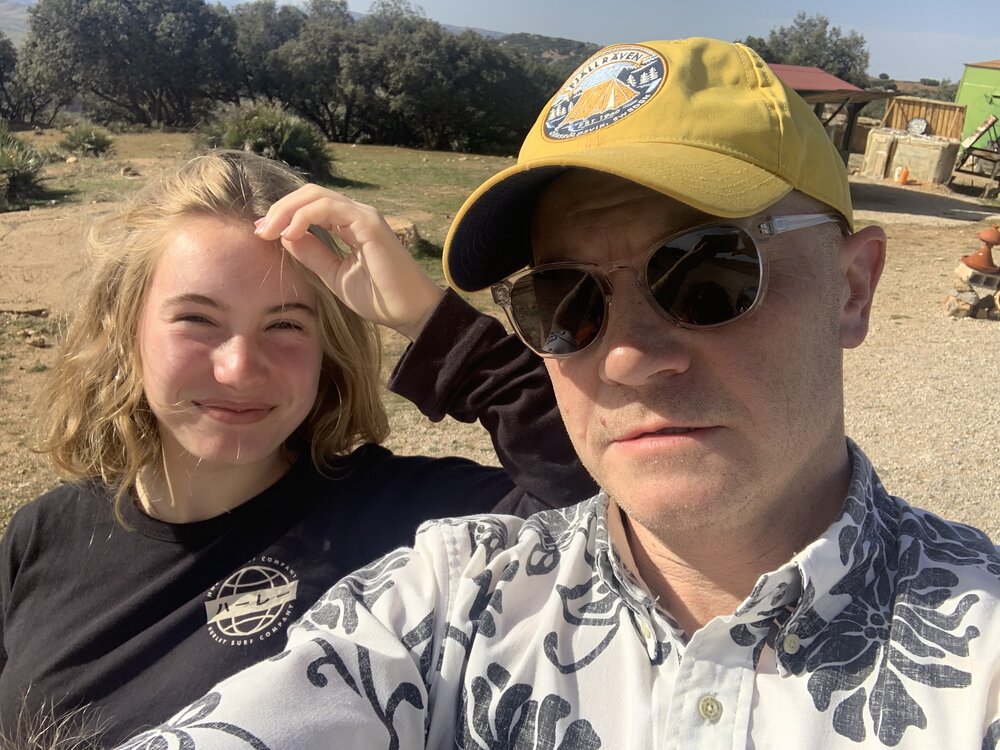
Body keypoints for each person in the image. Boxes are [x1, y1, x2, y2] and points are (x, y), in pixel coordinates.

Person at [116, 38, 1000, 749]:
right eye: (563, 301)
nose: (623, 358)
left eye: (706, 273)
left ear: (852, 288)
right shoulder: (447, 602)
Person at [0, 150, 596, 747]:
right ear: (125, 330)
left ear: (325, 348)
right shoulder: (41, 536)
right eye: (197, 320)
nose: (238, 369)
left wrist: (427, 315)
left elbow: (609, 504)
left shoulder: (406, 525)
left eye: (285, 325)